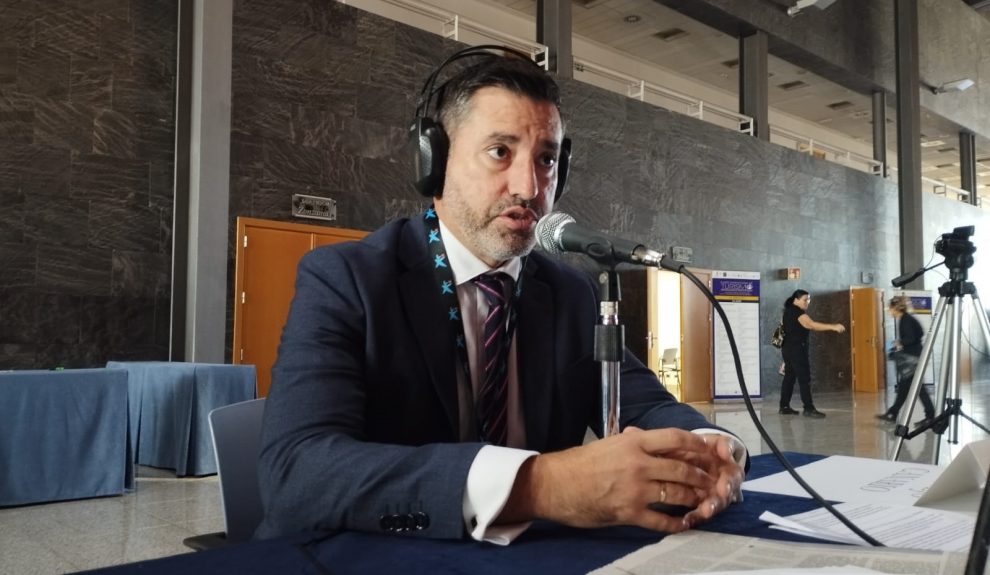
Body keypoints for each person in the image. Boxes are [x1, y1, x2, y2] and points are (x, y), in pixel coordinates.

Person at [255, 48, 747, 544]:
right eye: (500, 152)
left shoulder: (569, 293)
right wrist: (540, 485)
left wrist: (711, 449)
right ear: (435, 160)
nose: (529, 186)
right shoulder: (347, 279)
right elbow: (297, 472)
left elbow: (649, 407)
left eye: (547, 159)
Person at [777, 289, 845, 418]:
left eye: (809, 299)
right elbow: (812, 325)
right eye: (805, 300)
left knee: (789, 378)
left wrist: (785, 359)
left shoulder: (787, 312)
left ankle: (784, 406)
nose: (807, 302)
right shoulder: (798, 313)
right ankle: (808, 408)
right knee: (804, 379)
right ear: (796, 300)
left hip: (788, 349)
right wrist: (833, 326)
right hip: (797, 350)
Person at [876, 295, 936, 426]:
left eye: (890, 308)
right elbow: (919, 333)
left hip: (911, 358)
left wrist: (898, 343)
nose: (889, 311)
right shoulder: (907, 319)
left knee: (917, 388)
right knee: (905, 387)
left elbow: (910, 338)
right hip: (914, 355)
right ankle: (893, 413)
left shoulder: (905, 320)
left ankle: (930, 416)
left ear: (895, 308)